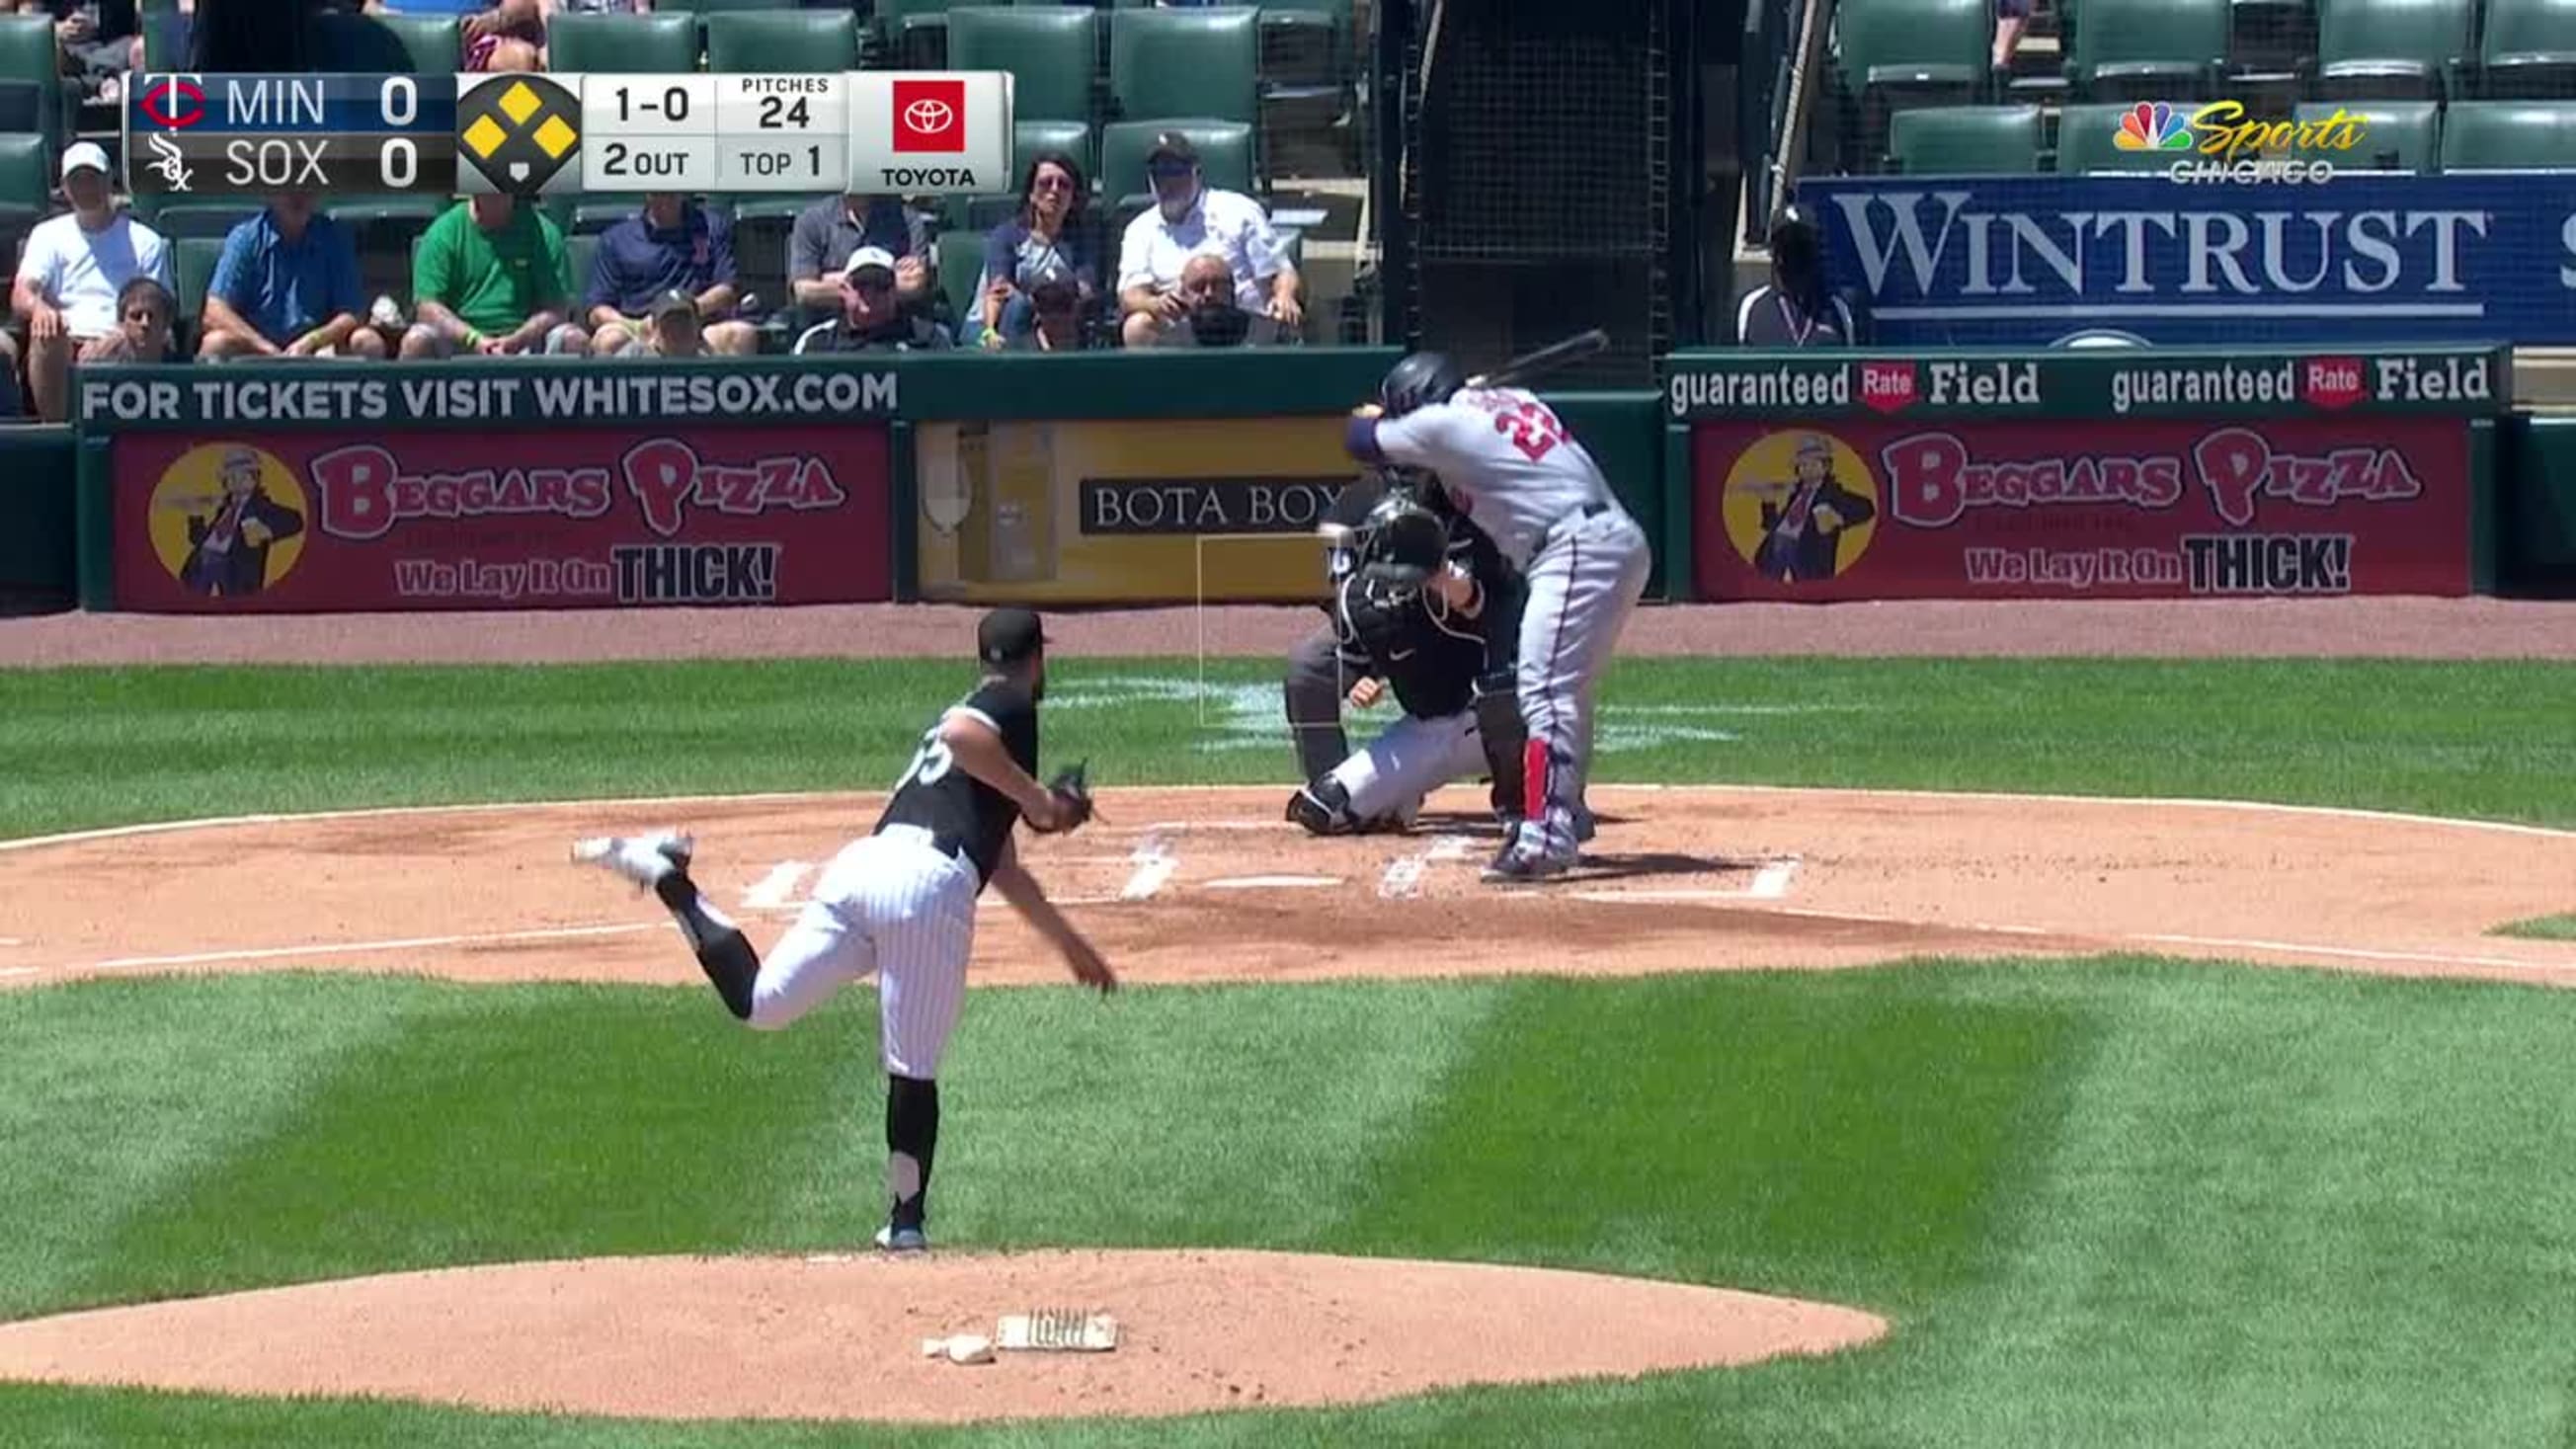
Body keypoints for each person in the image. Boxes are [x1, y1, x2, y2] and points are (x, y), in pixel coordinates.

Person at [571, 608, 1116, 1252]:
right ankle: (906, 1226)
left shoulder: (981, 726)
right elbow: (964, 733)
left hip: (866, 866)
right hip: (923, 887)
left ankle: (669, 877)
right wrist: (1039, 800)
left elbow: (1001, 863)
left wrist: (1068, 941)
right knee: (912, 1067)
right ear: (1038, 659)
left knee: (762, 1004)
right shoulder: (1007, 702)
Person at [1344, 354, 1650, 882]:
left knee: (1545, 693)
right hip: (1609, 541)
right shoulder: (1512, 403)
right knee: (1560, 691)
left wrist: (1372, 416)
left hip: (1574, 547)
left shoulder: (1442, 424)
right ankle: (1563, 813)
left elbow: (1358, 439)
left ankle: (1546, 836)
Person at [1287, 469, 1529, 838]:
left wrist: (1442, 579)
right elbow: (1375, 640)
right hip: (1424, 733)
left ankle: (1530, 806)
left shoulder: (1454, 577)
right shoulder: (1361, 597)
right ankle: (1387, 790)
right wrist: (1365, 673)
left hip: (1482, 725)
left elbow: (1480, 604)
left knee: (1509, 694)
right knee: (1323, 807)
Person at [11, 141, 171, 422]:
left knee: (142, 335)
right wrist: (39, 309)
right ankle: (58, 432)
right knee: (47, 333)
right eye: (77, 180)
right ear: (65, 186)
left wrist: (119, 334)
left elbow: (159, 306)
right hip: (66, 337)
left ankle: (132, 432)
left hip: (123, 336)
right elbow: (23, 291)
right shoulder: (48, 234)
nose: (86, 186)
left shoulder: (146, 241)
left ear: (109, 180)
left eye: (93, 178)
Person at [1115, 131, 1301, 348]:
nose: (1168, 181)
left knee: (1285, 317)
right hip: (1182, 334)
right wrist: (1154, 303)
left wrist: (1285, 296)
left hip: (1246, 329)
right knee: (1137, 325)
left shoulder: (1239, 210)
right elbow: (1130, 294)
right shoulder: (1139, 229)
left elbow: (1281, 272)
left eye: (1176, 171)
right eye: (1159, 173)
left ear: (1197, 172)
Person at [199, 192, 382, 361]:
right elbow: (214, 311)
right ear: (269, 192)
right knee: (216, 343)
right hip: (256, 350)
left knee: (367, 341)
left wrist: (312, 341)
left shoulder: (334, 238)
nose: (298, 196)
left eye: (306, 188)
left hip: (318, 350)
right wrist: (265, 347)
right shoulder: (246, 238)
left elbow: (353, 314)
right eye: (289, 189)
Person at [401, 193, 585, 359]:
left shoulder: (543, 233)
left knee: (574, 339)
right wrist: (474, 339)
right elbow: (427, 307)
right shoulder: (444, 232)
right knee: (416, 341)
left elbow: (557, 309)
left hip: (525, 342)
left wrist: (516, 340)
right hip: (460, 342)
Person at [582, 194, 756, 358]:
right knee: (609, 340)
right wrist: (638, 326)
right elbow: (597, 309)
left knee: (742, 334)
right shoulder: (616, 238)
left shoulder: (711, 226)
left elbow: (727, 289)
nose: (665, 197)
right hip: (640, 327)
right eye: (658, 191)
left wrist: (684, 316)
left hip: (699, 325)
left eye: (670, 191)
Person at [970, 151, 1098, 351]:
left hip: (1051, 322)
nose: (1054, 191)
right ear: (1031, 194)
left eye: (1063, 185)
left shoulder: (1080, 240)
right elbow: (1000, 293)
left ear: (1073, 198)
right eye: (1045, 183)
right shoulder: (1006, 236)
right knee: (1019, 306)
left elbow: (1084, 291)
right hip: (988, 325)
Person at [1740, 434, 1877, 583]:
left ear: (1825, 467)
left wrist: (1838, 519)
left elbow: (1867, 508)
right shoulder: (1795, 494)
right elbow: (1771, 526)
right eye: (1803, 465)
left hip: (1809, 557)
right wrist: (1768, 503)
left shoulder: (1832, 495)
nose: (1807, 469)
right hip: (1774, 553)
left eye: (1813, 464)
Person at [178, 445, 305, 597]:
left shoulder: (259, 507)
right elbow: (197, 540)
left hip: (235, 570)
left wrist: (268, 530)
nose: (237, 481)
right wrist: (196, 516)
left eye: (243, 476)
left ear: (254, 479)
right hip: (201, 565)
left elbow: (294, 520)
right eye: (231, 477)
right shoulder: (223, 510)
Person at [1731, 202, 1858, 347]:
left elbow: (1852, 365)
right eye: (1785, 245)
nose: (1794, 254)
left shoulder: (1838, 311)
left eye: (1802, 245)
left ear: (1815, 250)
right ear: (1774, 251)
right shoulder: (1751, 308)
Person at [791, 246, 951, 354]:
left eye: (881, 285)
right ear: (844, 288)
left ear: (894, 290)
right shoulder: (817, 343)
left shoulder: (928, 338)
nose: (870, 294)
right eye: (861, 284)